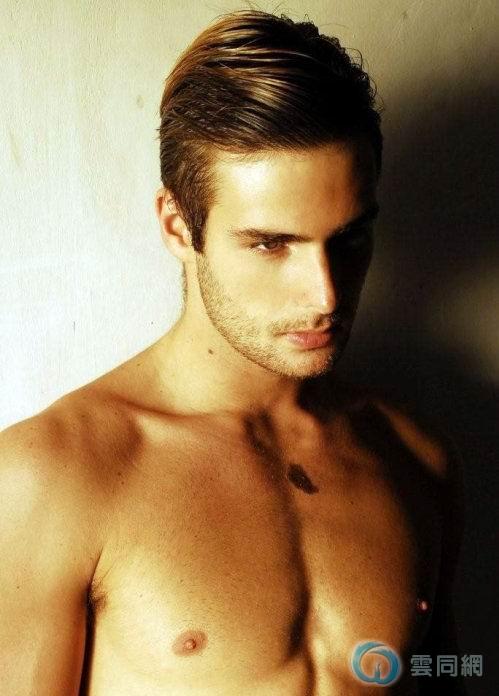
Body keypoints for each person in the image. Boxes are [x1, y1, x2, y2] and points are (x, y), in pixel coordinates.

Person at [0, 9, 465, 695]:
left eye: (348, 239)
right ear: (177, 226)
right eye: (271, 244)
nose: (326, 294)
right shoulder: (52, 476)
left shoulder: (414, 457)